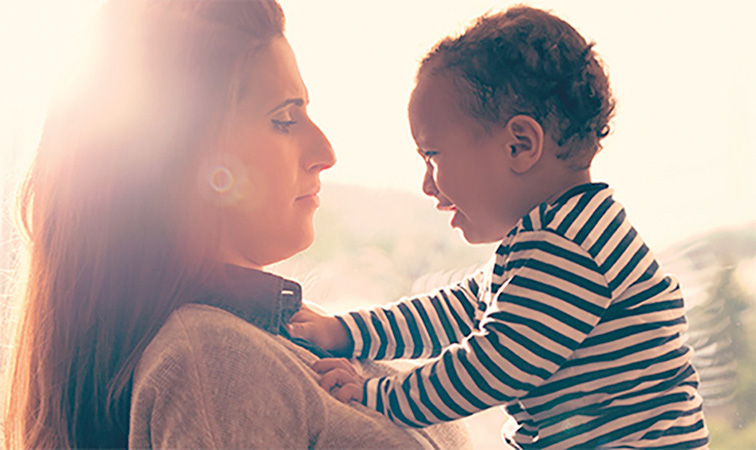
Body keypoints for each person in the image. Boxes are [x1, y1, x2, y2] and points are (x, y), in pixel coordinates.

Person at [0, 1, 469, 448]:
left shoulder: (285, 332)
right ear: (182, 157)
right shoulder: (212, 359)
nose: (325, 153)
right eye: (285, 119)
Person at [289, 6, 710, 449]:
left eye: (432, 155)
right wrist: (347, 332)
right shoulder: (554, 237)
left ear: (520, 145)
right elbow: (457, 311)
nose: (427, 184)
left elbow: (496, 363)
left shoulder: (572, 248)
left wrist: (380, 397)